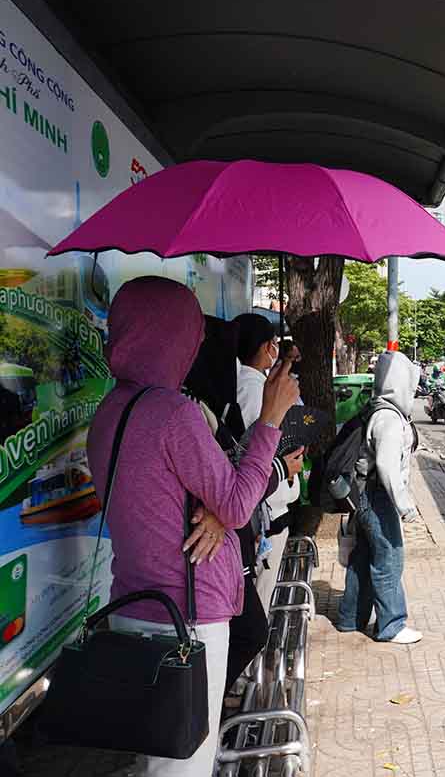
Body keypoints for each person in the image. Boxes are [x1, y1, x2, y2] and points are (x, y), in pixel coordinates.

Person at [87, 277, 299, 777]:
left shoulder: (109, 411)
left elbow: (157, 505)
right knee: (183, 763)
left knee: (158, 754)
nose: (196, 346)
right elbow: (238, 502)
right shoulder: (172, 413)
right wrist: (270, 419)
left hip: (134, 607)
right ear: (166, 336)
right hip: (186, 617)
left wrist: (216, 514)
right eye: (189, 333)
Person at [182, 315, 303, 694]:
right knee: (248, 634)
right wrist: (273, 424)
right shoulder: (186, 412)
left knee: (249, 632)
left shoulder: (207, 406)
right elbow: (234, 498)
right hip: (203, 580)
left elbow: (229, 486)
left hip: (221, 565)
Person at [336, 351, 422, 644]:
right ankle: (391, 626)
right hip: (377, 497)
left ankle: (350, 618)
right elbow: (386, 465)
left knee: (363, 557)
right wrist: (405, 505)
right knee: (389, 558)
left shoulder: (378, 410)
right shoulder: (389, 419)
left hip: (364, 494)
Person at [234, 313, 302, 613]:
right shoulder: (251, 389)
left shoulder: (260, 384)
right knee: (259, 601)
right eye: (274, 343)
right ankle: (255, 658)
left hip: (270, 500)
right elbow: (257, 447)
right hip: (265, 506)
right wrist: (284, 465)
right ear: (266, 347)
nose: (276, 349)